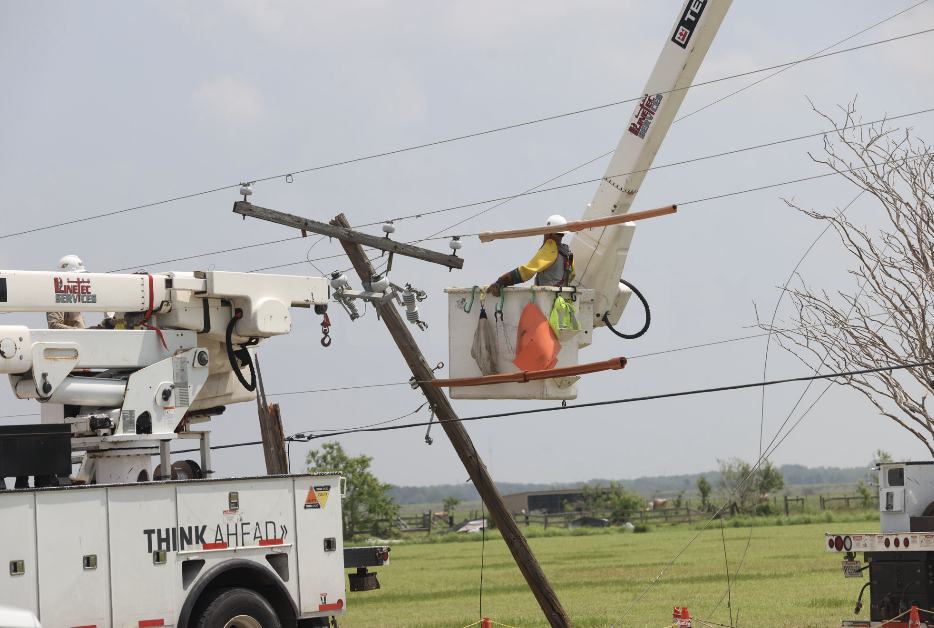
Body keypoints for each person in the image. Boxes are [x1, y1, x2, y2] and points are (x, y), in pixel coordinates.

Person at [487, 215, 575, 297]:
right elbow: (572, 274)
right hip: (563, 298)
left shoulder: (550, 248)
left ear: (549, 232)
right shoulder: (567, 251)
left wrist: (501, 281)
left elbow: (528, 271)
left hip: (548, 297)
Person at [47, 255, 87, 330]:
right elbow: (54, 325)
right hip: (69, 337)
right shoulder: (58, 297)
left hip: (76, 337)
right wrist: (80, 332)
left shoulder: (72, 297)